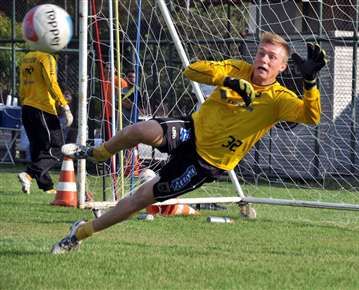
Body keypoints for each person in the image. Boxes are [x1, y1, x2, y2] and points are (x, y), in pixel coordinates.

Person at [51, 32, 327, 254]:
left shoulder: (279, 99)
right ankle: (99, 153)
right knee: (140, 130)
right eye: (261, 53)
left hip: (205, 164)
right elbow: (191, 71)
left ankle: (80, 233)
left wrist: (310, 81)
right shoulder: (237, 69)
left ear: (281, 66)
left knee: (138, 200)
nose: (264, 60)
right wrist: (228, 79)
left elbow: (311, 116)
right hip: (191, 130)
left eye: (272, 57)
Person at [17, 49, 73, 195]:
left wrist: (25, 102)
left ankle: (46, 186)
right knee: (57, 148)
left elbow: (22, 85)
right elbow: (51, 82)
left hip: (27, 108)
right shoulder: (47, 57)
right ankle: (28, 174)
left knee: (38, 149)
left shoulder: (27, 57)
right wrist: (64, 105)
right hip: (43, 109)